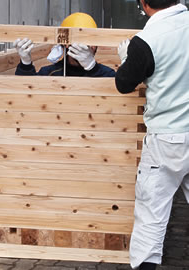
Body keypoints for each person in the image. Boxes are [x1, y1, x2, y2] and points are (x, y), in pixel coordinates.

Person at [115, 1, 189, 270]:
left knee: (150, 219)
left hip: (165, 142)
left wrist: (126, 59)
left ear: (143, 4)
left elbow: (124, 83)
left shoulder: (146, 40)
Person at [13, 12, 115, 77]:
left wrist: (91, 67)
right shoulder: (50, 73)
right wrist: (25, 64)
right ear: (66, 45)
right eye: (83, 41)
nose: (91, 47)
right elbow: (27, 92)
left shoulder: (107, 74)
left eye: (93, 41)